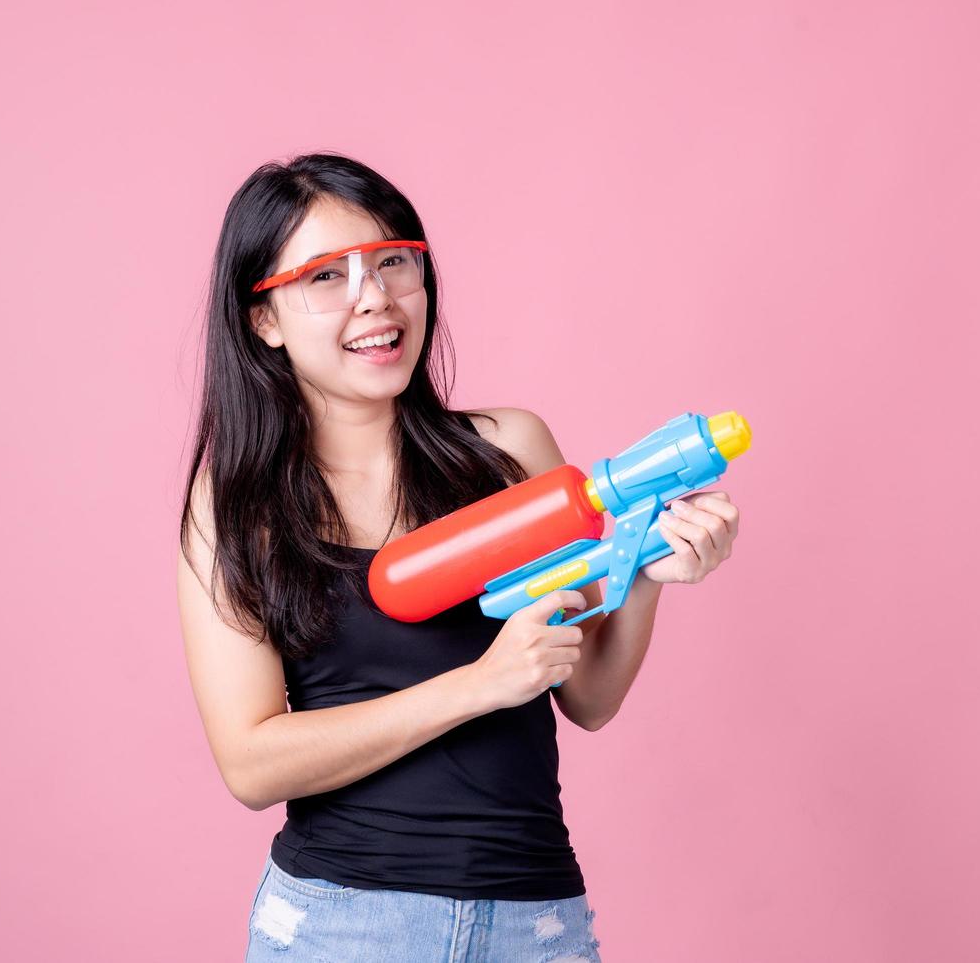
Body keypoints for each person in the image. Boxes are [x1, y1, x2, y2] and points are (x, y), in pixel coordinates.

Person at [176, 152, 740, 962]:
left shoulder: (509, 453)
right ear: (263, 319)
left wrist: (645, 571)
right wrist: (478, 685)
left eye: (393, 262)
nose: (374, 296)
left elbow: (588, 697)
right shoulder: (237, 505)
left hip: (535, 920)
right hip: (343, 928)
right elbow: (252, 764)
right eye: (325, 278)